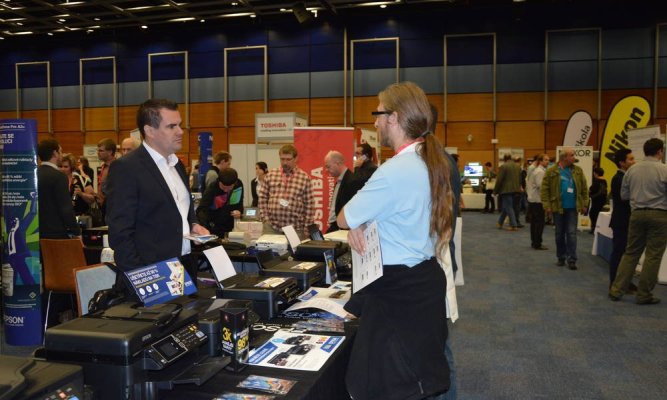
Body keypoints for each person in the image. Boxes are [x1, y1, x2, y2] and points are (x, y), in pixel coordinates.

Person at [337, 82, 452, 400]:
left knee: (385, 385)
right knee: (410, 383)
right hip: (421, 282)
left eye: (378, 114)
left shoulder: (395, 170)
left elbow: (343, 218)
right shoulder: (426, 161)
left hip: (397, 293)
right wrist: (364, 222)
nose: (374, 122)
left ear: (394, 117)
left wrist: (357, 222)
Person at [106, 98, 209, 273]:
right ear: (149, 131)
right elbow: (120, 233)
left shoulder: (177, 165)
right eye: (171, 126)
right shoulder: (127, 167)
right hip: (151, 271)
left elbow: (180, 210)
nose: (180, 131)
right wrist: (142, 276)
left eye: (179, 125)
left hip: (183, 265)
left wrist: (193, 224)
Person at [609, 138, 667, 305]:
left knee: (631, 253)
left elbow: (624, 195)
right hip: (659, 215)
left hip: (636, 214)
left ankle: (616, 290)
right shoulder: (664, 169)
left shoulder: (632, 170)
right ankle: (644, 294)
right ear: (660, 152)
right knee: (653, 256)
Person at [541, 148, 588, 270]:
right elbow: (544, 189)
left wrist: (584, 204)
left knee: (572, 234)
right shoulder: (551, 171)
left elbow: (584, 188)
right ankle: (561, 257)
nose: (574, 157)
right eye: (572, 155)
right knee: (559, 234)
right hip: (558, 208)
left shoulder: (578, 170)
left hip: (573, 208)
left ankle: (572, 259)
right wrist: (546, 205)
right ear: (564, 158)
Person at [258, 144, 314, 237]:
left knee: (295, 248)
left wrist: (307, 226)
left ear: (295, 159)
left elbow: (309, 205)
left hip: (295, 228)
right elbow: (262, 197)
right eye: (282, 159)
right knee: (266, 247)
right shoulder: (271, 175)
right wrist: (265, 218)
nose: (285, 162)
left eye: (288, 159)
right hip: (271, 227)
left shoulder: (304, 178)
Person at [37, 139, 81, 239]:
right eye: (60, 151)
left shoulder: (33, 175)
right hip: (56, 233)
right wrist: (76, 231)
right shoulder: (59, 176)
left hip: (36, 232)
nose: (61, 154)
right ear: (55, 153)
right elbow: (65, 208)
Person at [608, 149, 636, 288]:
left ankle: (624, 281)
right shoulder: (618, 178)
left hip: (626, 220)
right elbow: (624, 200)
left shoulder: (626, 177)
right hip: (621, 221)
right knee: (619, 253)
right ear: (621, 162)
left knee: (627, 254)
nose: (634, 161)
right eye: (630, 159)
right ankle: (614, 283)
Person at [196, 168, 244, 237]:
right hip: (214, 228)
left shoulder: (238, 185)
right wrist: (204, 227)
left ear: (235, 183)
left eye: (229, 188)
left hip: (231, 227)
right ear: (219, 181)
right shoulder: (212, 189)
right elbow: (201, 210)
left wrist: (239, 212)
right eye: (223, 187)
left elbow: (239, 203)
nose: (226, 190)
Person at [324, 151, 362, 233]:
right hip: (336, 227)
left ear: (338, 163)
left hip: (343, 230)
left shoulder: (352, 181)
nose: (326, 170)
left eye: (328, 166)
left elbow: (353, 210)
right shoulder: (340, 181)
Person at [526, 153, 549, 250]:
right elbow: (541, 187)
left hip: (534, 200)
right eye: (545, 160)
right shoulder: (540, 172)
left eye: (548, 160)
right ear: (540, 161)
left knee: (535, 223)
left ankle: (534, 242)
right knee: (539, 223)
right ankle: (537, 243)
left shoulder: (538, 170)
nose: (547, 162)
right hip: (537, 200)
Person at [494, 154, 522, 230]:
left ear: (504, 159)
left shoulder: (503, 166)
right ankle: (500, 223)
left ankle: (513, 225)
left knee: (509, 207)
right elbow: (520, 179)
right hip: (516, 190)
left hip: (506, 190)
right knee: (506, 206)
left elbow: (499, 180)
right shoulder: (518, 166)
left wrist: (495, 191)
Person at [96, 137, 116, 222]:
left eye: (101, 151)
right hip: (102, 206)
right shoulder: (103, 167)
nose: (98, 153)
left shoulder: (117, 167)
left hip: (112, 206)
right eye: (98, 150)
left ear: (110, 152)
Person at [588, 167, 607, 234]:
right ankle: (598, 229)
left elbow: (591, 189)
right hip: (602, 200)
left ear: (596, 173)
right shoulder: (604, 181)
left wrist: (590, 194)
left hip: (596, 200)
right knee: (597, 215)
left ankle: (594, 229)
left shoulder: (597, 181)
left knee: (593, 214)